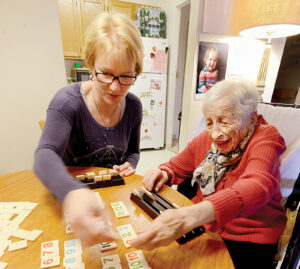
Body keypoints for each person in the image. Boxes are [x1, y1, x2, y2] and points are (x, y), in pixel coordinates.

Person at [130, 80, 287, 269]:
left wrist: (195, 214)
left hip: (247, 238)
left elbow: (258, 185)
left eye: (225, 121)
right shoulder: (205, 139)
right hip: (204, 229)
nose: (215, 133)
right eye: (210, 122)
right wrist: (162, 171)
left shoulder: (266, 138)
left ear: (252, 118)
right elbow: (176, 166)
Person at [34, 12, 144, 246]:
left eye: (126, 76)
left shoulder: (134, 106)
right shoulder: (67, 102)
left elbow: (134, 152)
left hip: (112, 198)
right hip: (69, 198)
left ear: (137, 70)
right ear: (91, 64)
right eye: (106, 74)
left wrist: (131, 163)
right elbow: (44, 156)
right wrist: (72, 193)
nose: (115, 87)